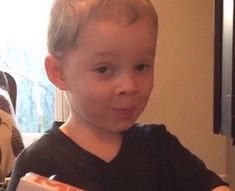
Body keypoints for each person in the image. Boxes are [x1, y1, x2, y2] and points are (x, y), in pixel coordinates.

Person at [7, 0, 231, 190]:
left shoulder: (161, 148)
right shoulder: (36, 164)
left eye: (142, 66)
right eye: (104, 69)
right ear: (59, 73)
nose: (129, 85)